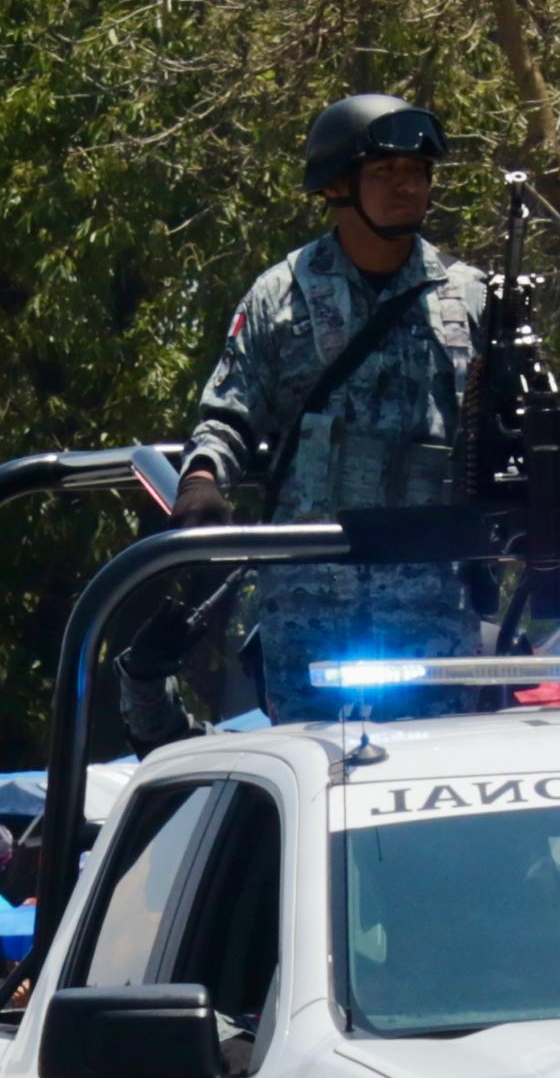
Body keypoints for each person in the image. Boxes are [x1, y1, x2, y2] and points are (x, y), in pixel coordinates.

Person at [178, 95, 494, 720]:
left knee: (432, 789)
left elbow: (510, 430)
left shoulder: (473, 298)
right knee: (315, 786)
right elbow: (229, 413)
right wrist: (202, 477)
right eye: (386, 172)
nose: (409, 186)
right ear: (338, 187)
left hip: (433, 610)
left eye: (418, 172)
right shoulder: (282, 296)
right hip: (310, 611)